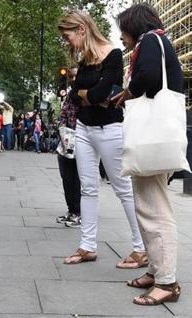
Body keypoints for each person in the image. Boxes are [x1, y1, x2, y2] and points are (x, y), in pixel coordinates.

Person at [58, 10, 146, 267]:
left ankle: (140, 248)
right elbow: (75, 96)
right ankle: (88, 246)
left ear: (81, 30)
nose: (67, 42)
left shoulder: (114, 54)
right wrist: (88, 94)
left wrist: (88, 94)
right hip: (84, 127)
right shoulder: (85, 59)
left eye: (67, 36)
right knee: (88, 188)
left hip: (110, 129)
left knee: (123, 189)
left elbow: (99, 94)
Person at [112, 3, 184, 305]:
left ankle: (167, 282)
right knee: (147, 208)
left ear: (133, 26)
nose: (122, 39)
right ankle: (156, 272)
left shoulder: (151, 42)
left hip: (153, 138)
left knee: (156, 212)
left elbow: (149, 78)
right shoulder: (156, 41)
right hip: (156, 138)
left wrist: (128, 91)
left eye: (123, 32)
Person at [56, 66, 81, 228]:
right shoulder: (70, 95)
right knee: (66, 177)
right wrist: (62, 130)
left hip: (82, 141)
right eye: (70, 77)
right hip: (66, 141)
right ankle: (71, 210)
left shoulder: (87, 94)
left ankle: (79, 213)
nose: (72, 79)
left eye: (75, 76)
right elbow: (63, 115)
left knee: (77, 179)